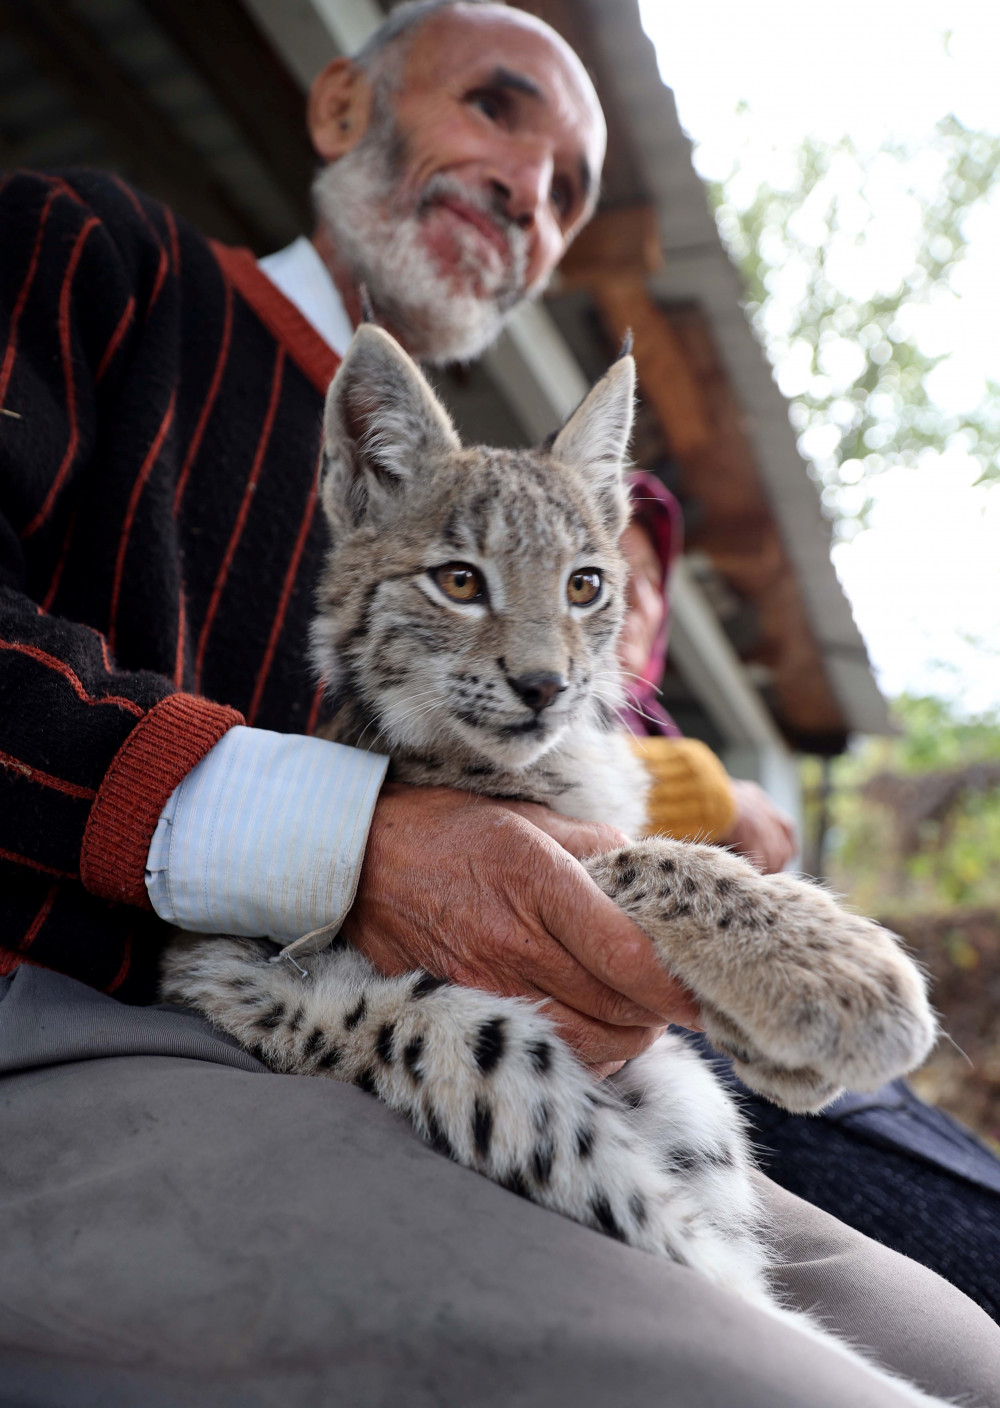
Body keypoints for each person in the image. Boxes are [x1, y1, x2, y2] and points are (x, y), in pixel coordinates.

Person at [1, 2, 998, 1403]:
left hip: (506, 1052)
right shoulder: (93, 260)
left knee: (970, 1350)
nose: (534, 186)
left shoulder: (495, 496)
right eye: (500, 106)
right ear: (343, 107)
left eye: (575, 189)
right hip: (88, 1016)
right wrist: (342, 844)